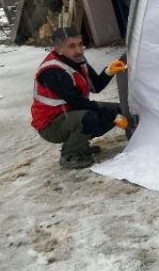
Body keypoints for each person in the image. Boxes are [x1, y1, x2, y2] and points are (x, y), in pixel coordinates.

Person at [31, 27, 128, 169]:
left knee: (119, 109)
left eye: (80, 44)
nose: (79, 50)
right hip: (51, 125)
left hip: (69, 114)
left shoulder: (77, 60)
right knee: (90, 117)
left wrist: (109, 71)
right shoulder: (52, 70)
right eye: (72, 46)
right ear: (58, 49)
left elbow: (96, 86)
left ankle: (80, 146)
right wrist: (111, 114)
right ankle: (70, 155)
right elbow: (77, 102)